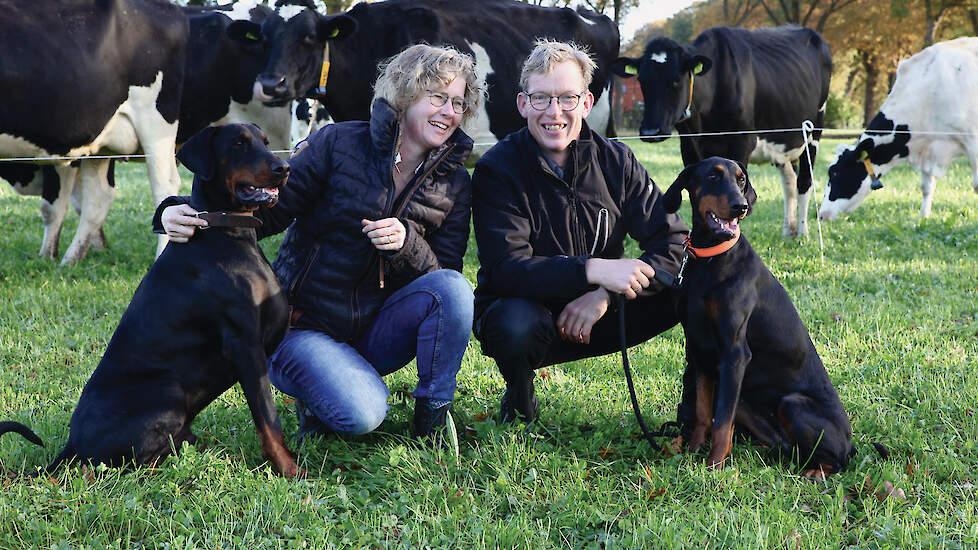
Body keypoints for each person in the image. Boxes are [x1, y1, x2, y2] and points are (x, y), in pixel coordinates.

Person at [156, 44, 484, 440]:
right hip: (303, 327)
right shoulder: (339, 144)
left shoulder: (455, 181)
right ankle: (316, 391)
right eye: (437, 98)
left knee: (454, 289)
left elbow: (444, 275)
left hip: (378, 329)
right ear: (405, 95)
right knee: (363, 416)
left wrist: (407, 243)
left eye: (458, 103)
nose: (449, 112)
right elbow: (266, 213)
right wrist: (176, 210)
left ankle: (433, 415)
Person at [471, 40, 690, 423]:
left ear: (587, 103)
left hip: (603, 314)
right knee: (514, 324)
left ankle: (699, 405)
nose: (554, 112)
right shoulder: (496, 169)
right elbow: (505, 268)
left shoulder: (617, 160)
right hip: (529, 314)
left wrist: (606, 293)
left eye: (567, 98)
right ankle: (520, 395)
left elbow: (674, 241)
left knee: (692, 287)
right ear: (523, 104)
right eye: (541, 99)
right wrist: (592, 269)